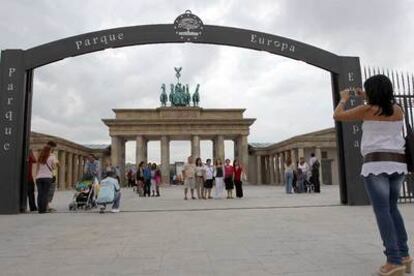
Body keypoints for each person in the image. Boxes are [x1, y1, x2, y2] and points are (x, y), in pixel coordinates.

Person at [333, 75, 411, 276]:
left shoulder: (367, 110)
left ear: (372, 92)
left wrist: (344, 98)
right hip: (398, 163)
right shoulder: (398, 109)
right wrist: (365, 93)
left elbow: (338, 115)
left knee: (382, 211)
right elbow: (381, 101)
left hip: (376, 163)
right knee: (393, 209)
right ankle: (404, 254)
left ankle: (393, 261)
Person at [35, 145, 57, 213]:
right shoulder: (52, 157)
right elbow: (53, 167)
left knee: (40, 194)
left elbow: (37, 168)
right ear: (49, 151)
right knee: (45, 194)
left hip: (39, 178)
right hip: (47, 178)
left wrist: (36, 176)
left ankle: (40, 209)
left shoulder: (40, 157)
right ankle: (43, 209)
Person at [46, 141, 59, 212]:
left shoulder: (42, 154)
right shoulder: (52, 155)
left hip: (42, 176)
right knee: (50, 191)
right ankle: (47, 206)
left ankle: (45, 206)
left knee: (44, 191)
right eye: (53, 147)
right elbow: (56, 165)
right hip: (51, 175)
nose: (54, 149)